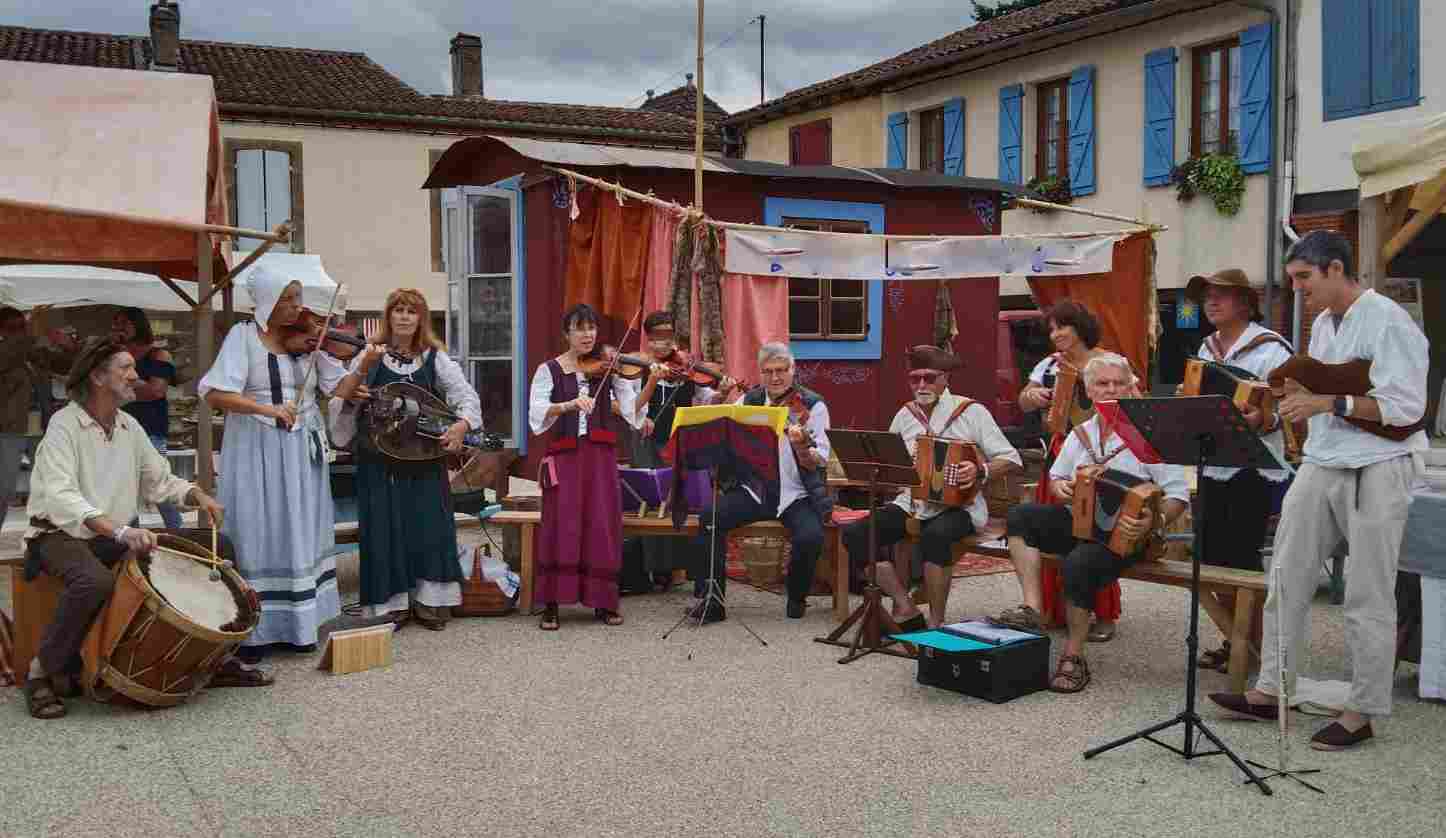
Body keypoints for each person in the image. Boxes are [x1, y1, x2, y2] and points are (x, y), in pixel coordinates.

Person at [1209, 230, 1429, 751]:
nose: (1300, 291)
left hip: (1381, 462)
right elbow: (1321, 388)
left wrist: (1327, 404)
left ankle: (1362, 711)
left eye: (1305, 279)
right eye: (1294, 281)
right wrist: (1281, 410)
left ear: (1335, 268)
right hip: (1325, 459)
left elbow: (1405, 409)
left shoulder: (1389, 321)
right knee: (1286, 574)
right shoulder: (1326, 324)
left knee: (1368, 590)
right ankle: (1271, 690)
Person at [20, 338, 254, 720]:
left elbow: (160, 481)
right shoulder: (63, 425)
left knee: (219, 546)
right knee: (93, 581)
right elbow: (62, 498)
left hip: (113, 536)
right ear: (97, 376)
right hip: (57, 536)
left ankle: (214, 658)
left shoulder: (130, 426)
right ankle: (41, 672)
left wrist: (198, 495)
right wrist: (120, 532)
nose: (136, 376)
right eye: (125, 369)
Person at [994, 353, 1189, 693]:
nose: (1111, 388)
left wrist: (1152, 522)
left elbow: (1177, 496)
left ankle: (1073, 657)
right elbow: (1056, 480)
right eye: (1102, 383)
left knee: (1079, 563)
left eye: (1119, 382)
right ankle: (1033, 609)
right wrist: (1061, 489)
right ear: (1089, 389)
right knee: (1020, 517)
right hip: (1081, 525)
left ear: (1132, 387)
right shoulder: (1081, 434)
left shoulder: (1151, 435)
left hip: (1127, 536)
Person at [198, 266, 342, 662]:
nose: (297, 307)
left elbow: (335, 385)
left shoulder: (302, 343)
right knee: (258, 527)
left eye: (298, 297)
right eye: (288, 298)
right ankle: (255, 629)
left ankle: (300, 625)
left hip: (299, 450)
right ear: (266, 301)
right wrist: (268, 408)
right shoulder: (243, 337)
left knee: (299, 526)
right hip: (257, 448)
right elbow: (215, 393)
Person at [842, 345, 1021, 629]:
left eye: (930, 377)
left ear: (946, 378)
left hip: (960, 506)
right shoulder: (905, 415)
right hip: (911, 503)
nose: (922, 385)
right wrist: (889, 469)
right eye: (915, 378)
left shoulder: (971, 411)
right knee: (857, 534)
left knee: (934, 537)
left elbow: (1011, 459)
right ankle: (905, 605)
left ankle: (937, 623)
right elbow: (891, 467)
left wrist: (979, 470)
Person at [333, 288, 481, 631]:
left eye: (410, 311)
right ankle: (392, 607)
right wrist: (360, 383)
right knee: (385, 529)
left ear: (420, 318)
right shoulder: (368, 357)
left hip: (424, 459)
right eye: (397, 310)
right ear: (387, 317)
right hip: (378, 460)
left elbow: (466, 397)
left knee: (428, 527)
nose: (403, 316)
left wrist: (461, 426)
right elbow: (343, 402)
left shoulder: (434, 357)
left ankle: (431, 603)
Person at [1182, 269, 1293, 671]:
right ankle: (1235, 640)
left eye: (1222, 296)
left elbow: (1293, 410)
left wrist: (1264, 420)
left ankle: (1253, 649)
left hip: (1255, 467)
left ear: (1246, 303)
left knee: (1242, 558)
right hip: (1214, 463)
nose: (1211, 302)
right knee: (1212, 557)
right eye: (1208, 296)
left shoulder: (1272, 350)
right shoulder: (1206, 349)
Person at [689, 342, 831, 623]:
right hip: (756, 490)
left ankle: (796, 595)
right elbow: (723, 433)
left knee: (811, 536)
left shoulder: (813, 405)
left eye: (781, 370)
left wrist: (804, 446)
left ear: (793, 370)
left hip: (796, 493)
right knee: (710, 518)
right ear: (761, 373)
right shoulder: (749, 401)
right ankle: (712, 601)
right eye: (768, 372)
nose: (775, 378)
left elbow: (820, 459)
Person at [528, 303, 643, 630]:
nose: (588, 334)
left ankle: (603, 602)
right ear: (567, 334)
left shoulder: (609, 367)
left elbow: (633, 412)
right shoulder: (548, 370)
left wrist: (649, 382)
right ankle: (551, 602)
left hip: (601, 456)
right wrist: (568, 404)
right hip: (565, 456)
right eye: (580, 328)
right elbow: (537, 415)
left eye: (591, 328)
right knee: (560, 523)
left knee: (601, 524)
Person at [1013, 301, 1120, 640]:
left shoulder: (1108, 363)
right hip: (1060, 456)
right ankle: (1055, 609)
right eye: (1052, 329)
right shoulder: (1049, 365)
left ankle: (1104, 615)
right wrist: (1034, 395)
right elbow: (1022, 401)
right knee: (1055, 536)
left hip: (1103, 459)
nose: (1056, 334)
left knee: (1096, 537)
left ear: (1080, 328)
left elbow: (1133, 403)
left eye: (1062, 327)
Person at [625, 311, 734, 592]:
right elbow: (628, 405)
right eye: (657, 337)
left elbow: (703, 402)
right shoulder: (638, 367)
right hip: (646, 441)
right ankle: (649, 569)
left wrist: (721, 393)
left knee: (680, 500)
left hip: (680, 442)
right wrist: (640, 418)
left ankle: (676, 569)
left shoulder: (686, 367)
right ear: (648, 340)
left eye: (668, 336)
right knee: (650, 501)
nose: (663, 344)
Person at [112, 307, 182, 530]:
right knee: (124, 487)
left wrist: (126, 379)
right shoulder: (115, 354)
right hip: (119, 428)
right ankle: (130, 537)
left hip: (151, 429)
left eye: (125, 322)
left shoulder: (159, 355)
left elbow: (156, 391)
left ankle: (177, 533)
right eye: (116, 323)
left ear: (138, 324)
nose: (119, 327)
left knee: (158, 482)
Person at [0, 307, 35, 533]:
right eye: (13, 328)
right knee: (4, 491)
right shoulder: (9, 351)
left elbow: (59, 362)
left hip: (37, 429)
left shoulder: (25, 352)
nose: (19, 332)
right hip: (8, 430)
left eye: (21, 327)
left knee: (55, 486)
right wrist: (31, 332)